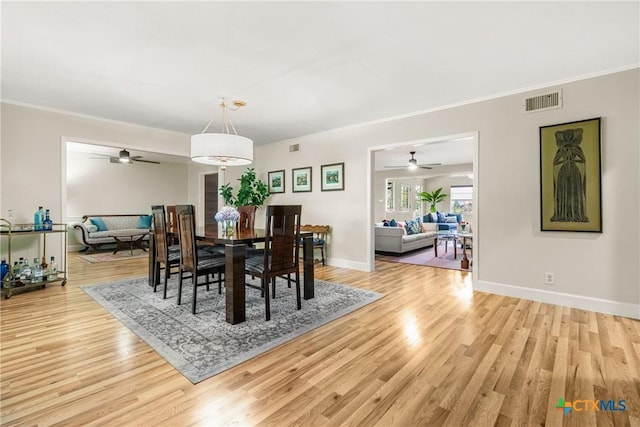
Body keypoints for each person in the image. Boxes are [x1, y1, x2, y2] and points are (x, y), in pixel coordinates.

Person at [550, 128, 589, 222]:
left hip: (574, 172)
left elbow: (582, 160)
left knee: (574, 192)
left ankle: (576, 213)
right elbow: (555, 162)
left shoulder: (577, 148)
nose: (568, 138)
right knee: (562, 192)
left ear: (572, 137)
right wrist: (564, 161)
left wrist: (572, 160)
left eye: (569, 136)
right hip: (563, 173)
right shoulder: (561, 150)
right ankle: (562, 214)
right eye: (566, 136)